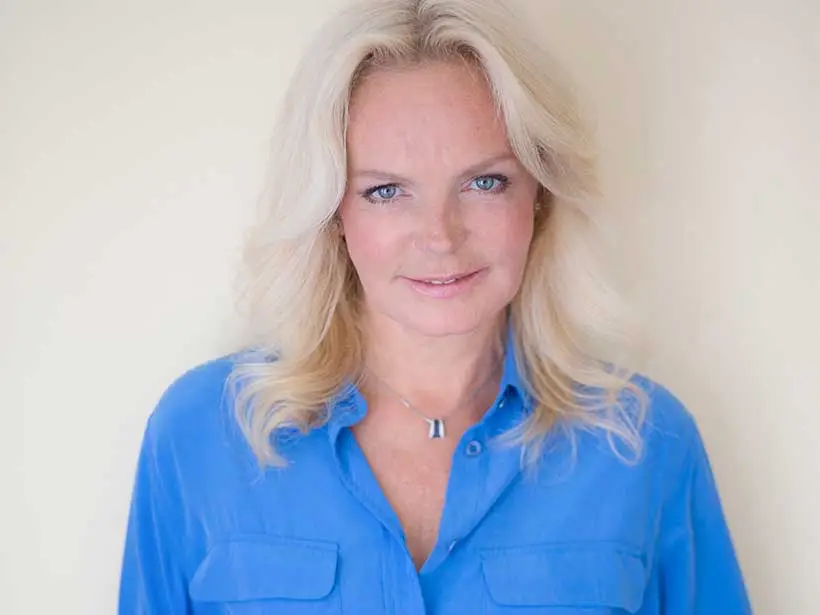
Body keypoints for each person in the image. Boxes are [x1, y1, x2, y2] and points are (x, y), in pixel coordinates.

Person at [118, 0, 752, 613]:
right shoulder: (202, 434)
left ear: (540, 194)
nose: (441, 236)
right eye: (386, 191)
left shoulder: (645, 444)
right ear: (333, 212)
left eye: (484, 182)